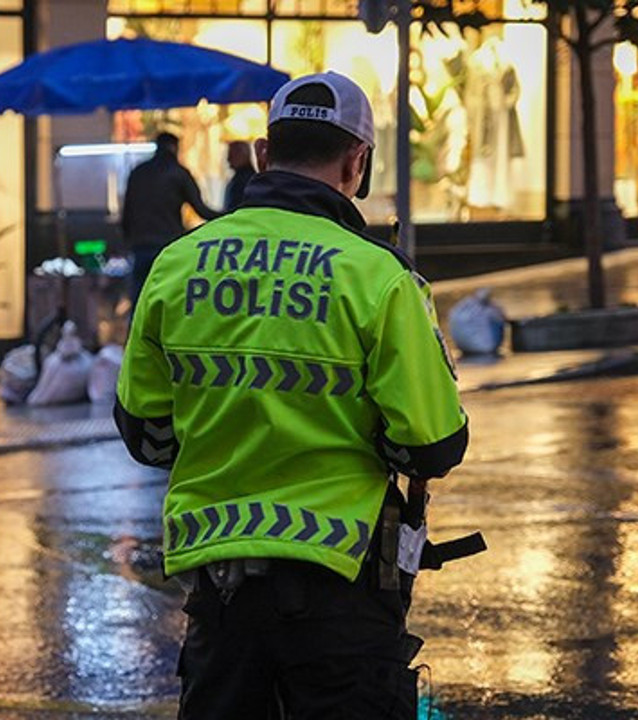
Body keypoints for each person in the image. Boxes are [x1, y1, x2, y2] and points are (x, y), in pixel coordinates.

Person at [114, 72, 470, 718]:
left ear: (261, 155)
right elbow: (434, 443)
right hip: (343, 603)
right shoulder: (381, 279)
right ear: (357, 164)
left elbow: (145, 433)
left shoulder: (177, 265)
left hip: (220, 604)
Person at [121, 132, 221, 301]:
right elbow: (202, 210)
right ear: (175, 148)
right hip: (168, 247)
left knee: (140, 301)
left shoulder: (138, 172)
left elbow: (127, 213)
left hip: (141, 246)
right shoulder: (179, 173)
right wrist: (232, 215)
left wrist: (128, 241)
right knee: (171, 300)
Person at [222, 139, 256, 211]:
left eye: (231, 154)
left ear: (242, 154)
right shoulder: (247, 179)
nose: (228, 159)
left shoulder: (244, 181)